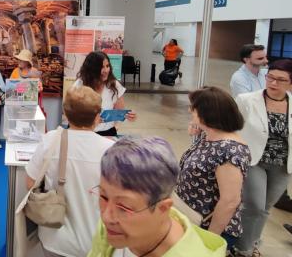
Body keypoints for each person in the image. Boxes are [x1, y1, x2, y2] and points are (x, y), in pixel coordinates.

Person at [87, 136, 227, 257]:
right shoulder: (114, 229)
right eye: (103, 197)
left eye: (123, 207)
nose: (106, 217)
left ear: (163, 208)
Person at [26, 85, 114, 256]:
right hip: (94, 242)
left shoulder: (50, 141)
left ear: (65, 113)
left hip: (54, 239)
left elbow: (30, 183)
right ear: (97, 117)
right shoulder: (110, 150)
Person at [176, 87, 250, 251]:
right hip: (190, 221)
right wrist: (196, 125)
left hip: (208, 229)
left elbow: (230, 201)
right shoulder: (209, 135)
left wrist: (209, 240)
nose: (189, 111)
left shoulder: (230, 151)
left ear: (207, 113)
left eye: (193, 108)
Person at [233, 59, 292, 257]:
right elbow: (231, 125)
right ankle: (242, 249)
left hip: (283, 164)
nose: (273, 83)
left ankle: (252, 243)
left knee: (266, 207)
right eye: (270, 77)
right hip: (254, 160)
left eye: (281, 80)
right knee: (255, 206)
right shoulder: (246, 100)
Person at [74, 51, 136, 136]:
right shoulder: (79, 85)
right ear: (92, 69)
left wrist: (130, 116)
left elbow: (120, 112)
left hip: (107, 133)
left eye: (107, 66)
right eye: (101, 67)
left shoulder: (114, 85)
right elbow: (71, 113)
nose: (106, 70)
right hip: (83, 133)